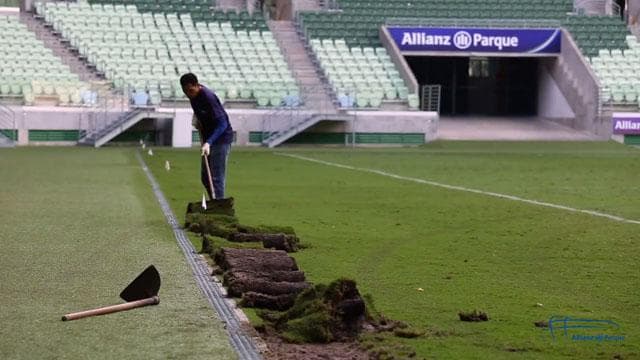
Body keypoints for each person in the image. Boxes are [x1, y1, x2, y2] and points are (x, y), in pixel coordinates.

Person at [180, 73, 234, 200]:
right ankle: (214, 202)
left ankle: (219, 208)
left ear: (197, 85)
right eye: (185, 91)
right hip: (208, 138)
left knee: (216, 177)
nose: (189, 94)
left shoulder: (208, 97)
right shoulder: (193, 97)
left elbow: (222, 123)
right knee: (205, 177)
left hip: (221, 139)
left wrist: (209, 142)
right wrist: (198, 119)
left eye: (190, 90)